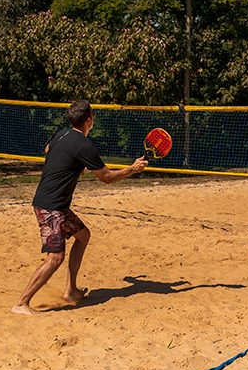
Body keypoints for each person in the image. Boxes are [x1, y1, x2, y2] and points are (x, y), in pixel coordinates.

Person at [12, 100, 148, 315]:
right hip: (51, 206)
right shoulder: (84, 146)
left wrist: (72, 164)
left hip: (56, 204)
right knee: (55, 258)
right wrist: (132, 169)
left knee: (83, 236)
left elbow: (48, 149)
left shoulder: (62, 135)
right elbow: (107, 178)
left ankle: (71, 291)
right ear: (88, 120)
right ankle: (21, 303)